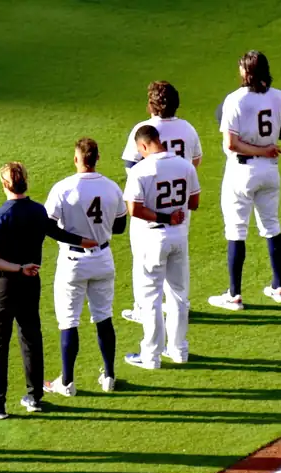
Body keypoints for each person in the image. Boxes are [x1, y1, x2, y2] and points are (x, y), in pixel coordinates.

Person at [0, 162, 97, 420]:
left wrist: (17, 267)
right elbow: (57, 233)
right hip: (31, 282)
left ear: (5, 185)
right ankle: (35, 396)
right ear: (25, 181)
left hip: (4, 285)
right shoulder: (38, 211)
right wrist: (86, 242)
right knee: (30, 337)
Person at [208, 50, 281, 311]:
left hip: (241, 172)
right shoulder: (278, 96)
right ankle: (278, 287)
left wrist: (256, 147)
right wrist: (265, 145)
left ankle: (234, 295)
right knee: (271, 226)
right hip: (270, 170)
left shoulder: (234, 100)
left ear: (245, 73)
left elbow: (231, 144)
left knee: (236, 231)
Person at [41, 138, 126, 396]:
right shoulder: (112, 188)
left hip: (73, 261)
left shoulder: (64, 188)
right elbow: (120, 227)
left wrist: (78, 237)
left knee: (69, 321)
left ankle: (67, 383)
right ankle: (109, 376)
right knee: (104, 317)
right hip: (103, 257)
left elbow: (47, 226)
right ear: (97, 158)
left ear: (77, 159)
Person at [121, 81, 203, 325]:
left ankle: (142, 308)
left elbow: (129, 165)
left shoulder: (144, 128)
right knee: (176, 259)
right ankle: (177, 307)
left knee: (144, 260)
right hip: (179, 206)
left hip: (149, 208)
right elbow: (195, 162)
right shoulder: (187, 128)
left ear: (151, 105)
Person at [123, 125, 200, 369]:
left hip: (152, 238)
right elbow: (195, 202)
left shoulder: (141, 170)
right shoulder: (185, 165)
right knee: (178, 295)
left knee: (151, 298)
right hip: (179, 235)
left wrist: (163, 217)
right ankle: (179, 350)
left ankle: (151, 356)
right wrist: (173, 215)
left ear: (144, 145)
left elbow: (134, 209)